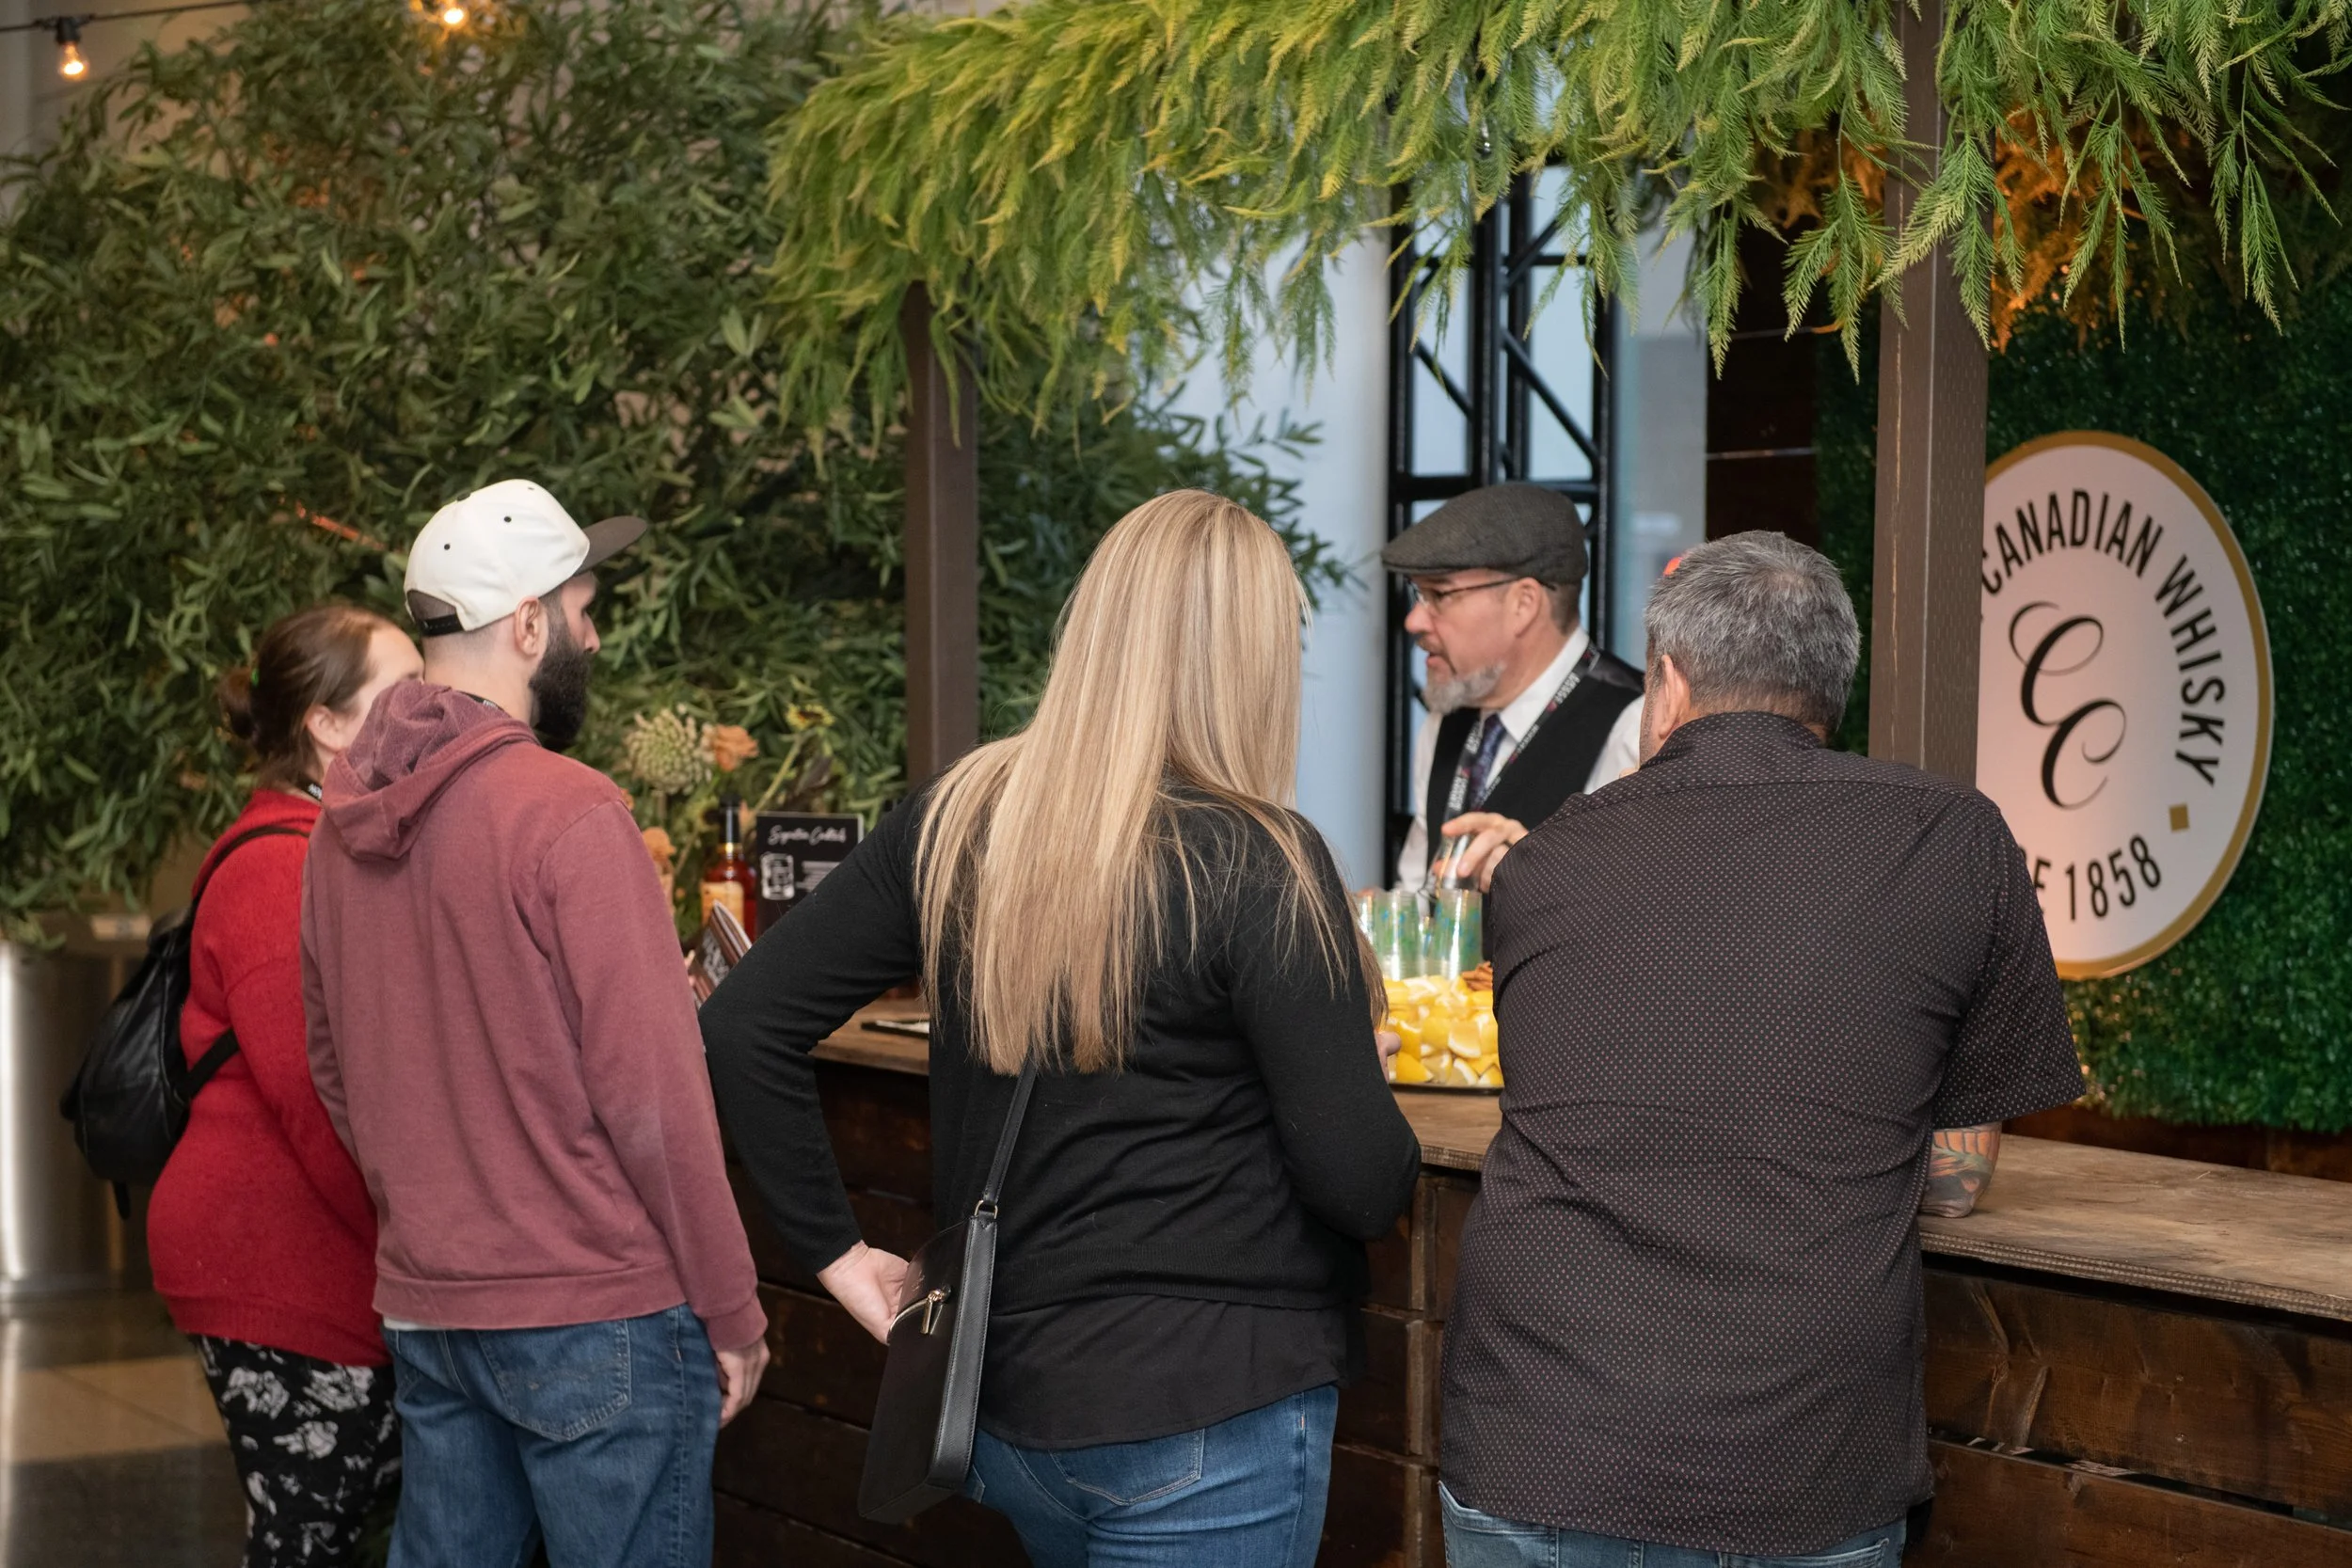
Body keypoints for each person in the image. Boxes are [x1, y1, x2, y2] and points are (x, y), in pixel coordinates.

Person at [702, 490, 1422, 1568]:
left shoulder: (959, 815)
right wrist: (1353, 1067)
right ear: (1251, 659)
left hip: (1008, 1408)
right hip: (1203, 1411)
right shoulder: (1259, 856)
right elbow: (1363, 1185)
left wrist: (840, 1257)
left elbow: (741, 1019)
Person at [1438, 531, 2085, 1568]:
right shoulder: (1952, 837)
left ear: (1667, 686)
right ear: (1829, 691)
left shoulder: (1545, 859)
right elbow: (1957, 1180)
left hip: (1541, 1435)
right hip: (1802, 1460)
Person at [299, 480, 768, 1568]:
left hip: (431, 1305)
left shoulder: (338, 828)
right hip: (597, 1307)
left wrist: (439, 1205)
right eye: (582, 609)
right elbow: (654, 1096)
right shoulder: (571, 810)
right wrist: (733, 1305)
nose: (591, 636)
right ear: (525, 623)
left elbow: (336, 1066)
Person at [150, 603, 421, 1568]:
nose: (430, 708)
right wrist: (411, 1252)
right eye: (404, 692)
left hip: (311, 1251)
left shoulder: (328, 846)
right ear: (328, 724)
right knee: (308, 1537)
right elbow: (313, 1098)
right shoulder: (278, 867)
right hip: (278, 1261)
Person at [1384, 483, 1645, 894]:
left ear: (1523, 604)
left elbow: (1634, 910)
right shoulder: (1445, 718)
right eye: (1419, 595)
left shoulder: (1637, 725)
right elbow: (1418, 889)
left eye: (1438, 594)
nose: (1414, 621)